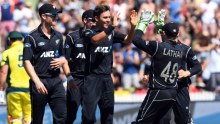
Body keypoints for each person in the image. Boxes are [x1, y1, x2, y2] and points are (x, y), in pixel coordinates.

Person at [131, 10, 197, 124]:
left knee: (141, 121)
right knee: (163, 121)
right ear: (178, 34)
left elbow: (136, 40)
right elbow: (166, 55)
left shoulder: (158, 47)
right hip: (172, 91)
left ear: (164, 34)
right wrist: (160, 25)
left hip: (158, 90)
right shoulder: (182, 50)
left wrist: (142, 23)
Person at [82, 5, 138, 124]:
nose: (108, 20)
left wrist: (133, 27)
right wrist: (112, 27)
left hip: (107, 79)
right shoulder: (88, 31)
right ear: (96, 19)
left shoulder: (112, 32)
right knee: (89, 118)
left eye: (109, 17)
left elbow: (128, 40)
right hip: (92, 79)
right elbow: (95, 40)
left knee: (108, 117)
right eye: (105, 17)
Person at [23, 3, 70, 124]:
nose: (56, 17)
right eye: (53, 15)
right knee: (37, 119)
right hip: (40, 82)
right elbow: (26, 61)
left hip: (56, 81)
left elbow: (63, 56)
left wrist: (63, 61)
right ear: (43, 16)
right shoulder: (32, 37)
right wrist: (37, 82)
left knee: (62, 117)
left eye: (57, 15)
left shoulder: (59, 36)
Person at [64, 9, 96, 124]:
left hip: (92, 79)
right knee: (71, 113)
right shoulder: (72, 37)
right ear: (85, 20)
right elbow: (64, 60)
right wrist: (69, 79)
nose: (94, 23)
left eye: (96, 21)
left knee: (89, 116)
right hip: (76, 79)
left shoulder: (100, 37)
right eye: (92, 20)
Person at [0, 31, 31, 124]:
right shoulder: (30, 51)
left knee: (15, 118)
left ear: (9, 41)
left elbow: (3, 71)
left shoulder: (7, 53)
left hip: (13, 89)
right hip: (29, 89)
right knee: (28, 117)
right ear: (22, 40)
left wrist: (1, 88)